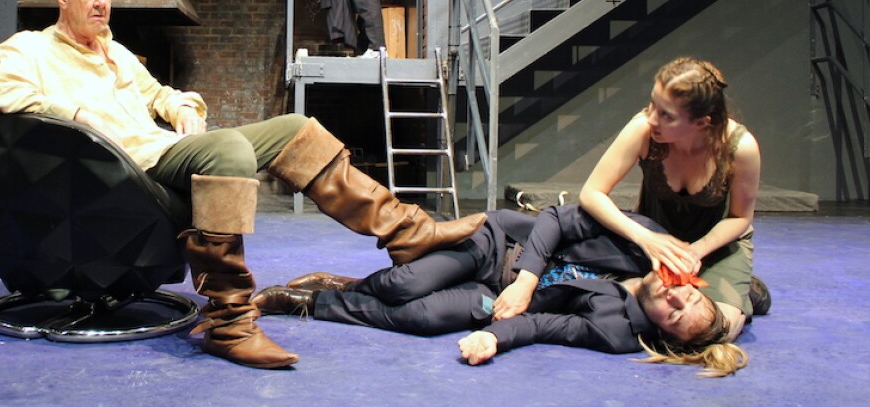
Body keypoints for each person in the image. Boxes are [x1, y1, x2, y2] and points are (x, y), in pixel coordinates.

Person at [0, 0, 487, 370]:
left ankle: (407, 232)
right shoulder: (30, 49)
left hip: (162, 150)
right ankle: (229, 323)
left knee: (296, 129)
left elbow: (161, 94)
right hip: (124, 167)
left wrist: (182, 107)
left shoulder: (116, 52)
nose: (103, 1)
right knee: (229, 151)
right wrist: (75, 113)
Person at [254, 204, 748, 377]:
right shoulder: (645, 239)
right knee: (405, 283)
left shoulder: (618, 330)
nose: (675, 298)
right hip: (500, 245)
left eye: (676, 315)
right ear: (696, 284)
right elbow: (554, 219)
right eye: (690, 296)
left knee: (421, 318)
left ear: (663, 334)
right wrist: (529, 277)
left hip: (499, 297)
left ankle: (310, 301)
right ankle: (349, 283)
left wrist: (494, 336)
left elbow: (545, 326)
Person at [577, 57, 765, 343]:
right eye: (653, 104)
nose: (652, 118)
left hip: (716, 246)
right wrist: (646, 238)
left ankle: (734, 288)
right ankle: (731, 290)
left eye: (667, 115)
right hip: (654, 242)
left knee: (716, 332)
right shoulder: (643, 129)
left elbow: (740, 218)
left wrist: (695, 252)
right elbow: (592, 193)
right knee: (608, 305)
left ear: (702, 123)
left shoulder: (739, 147)